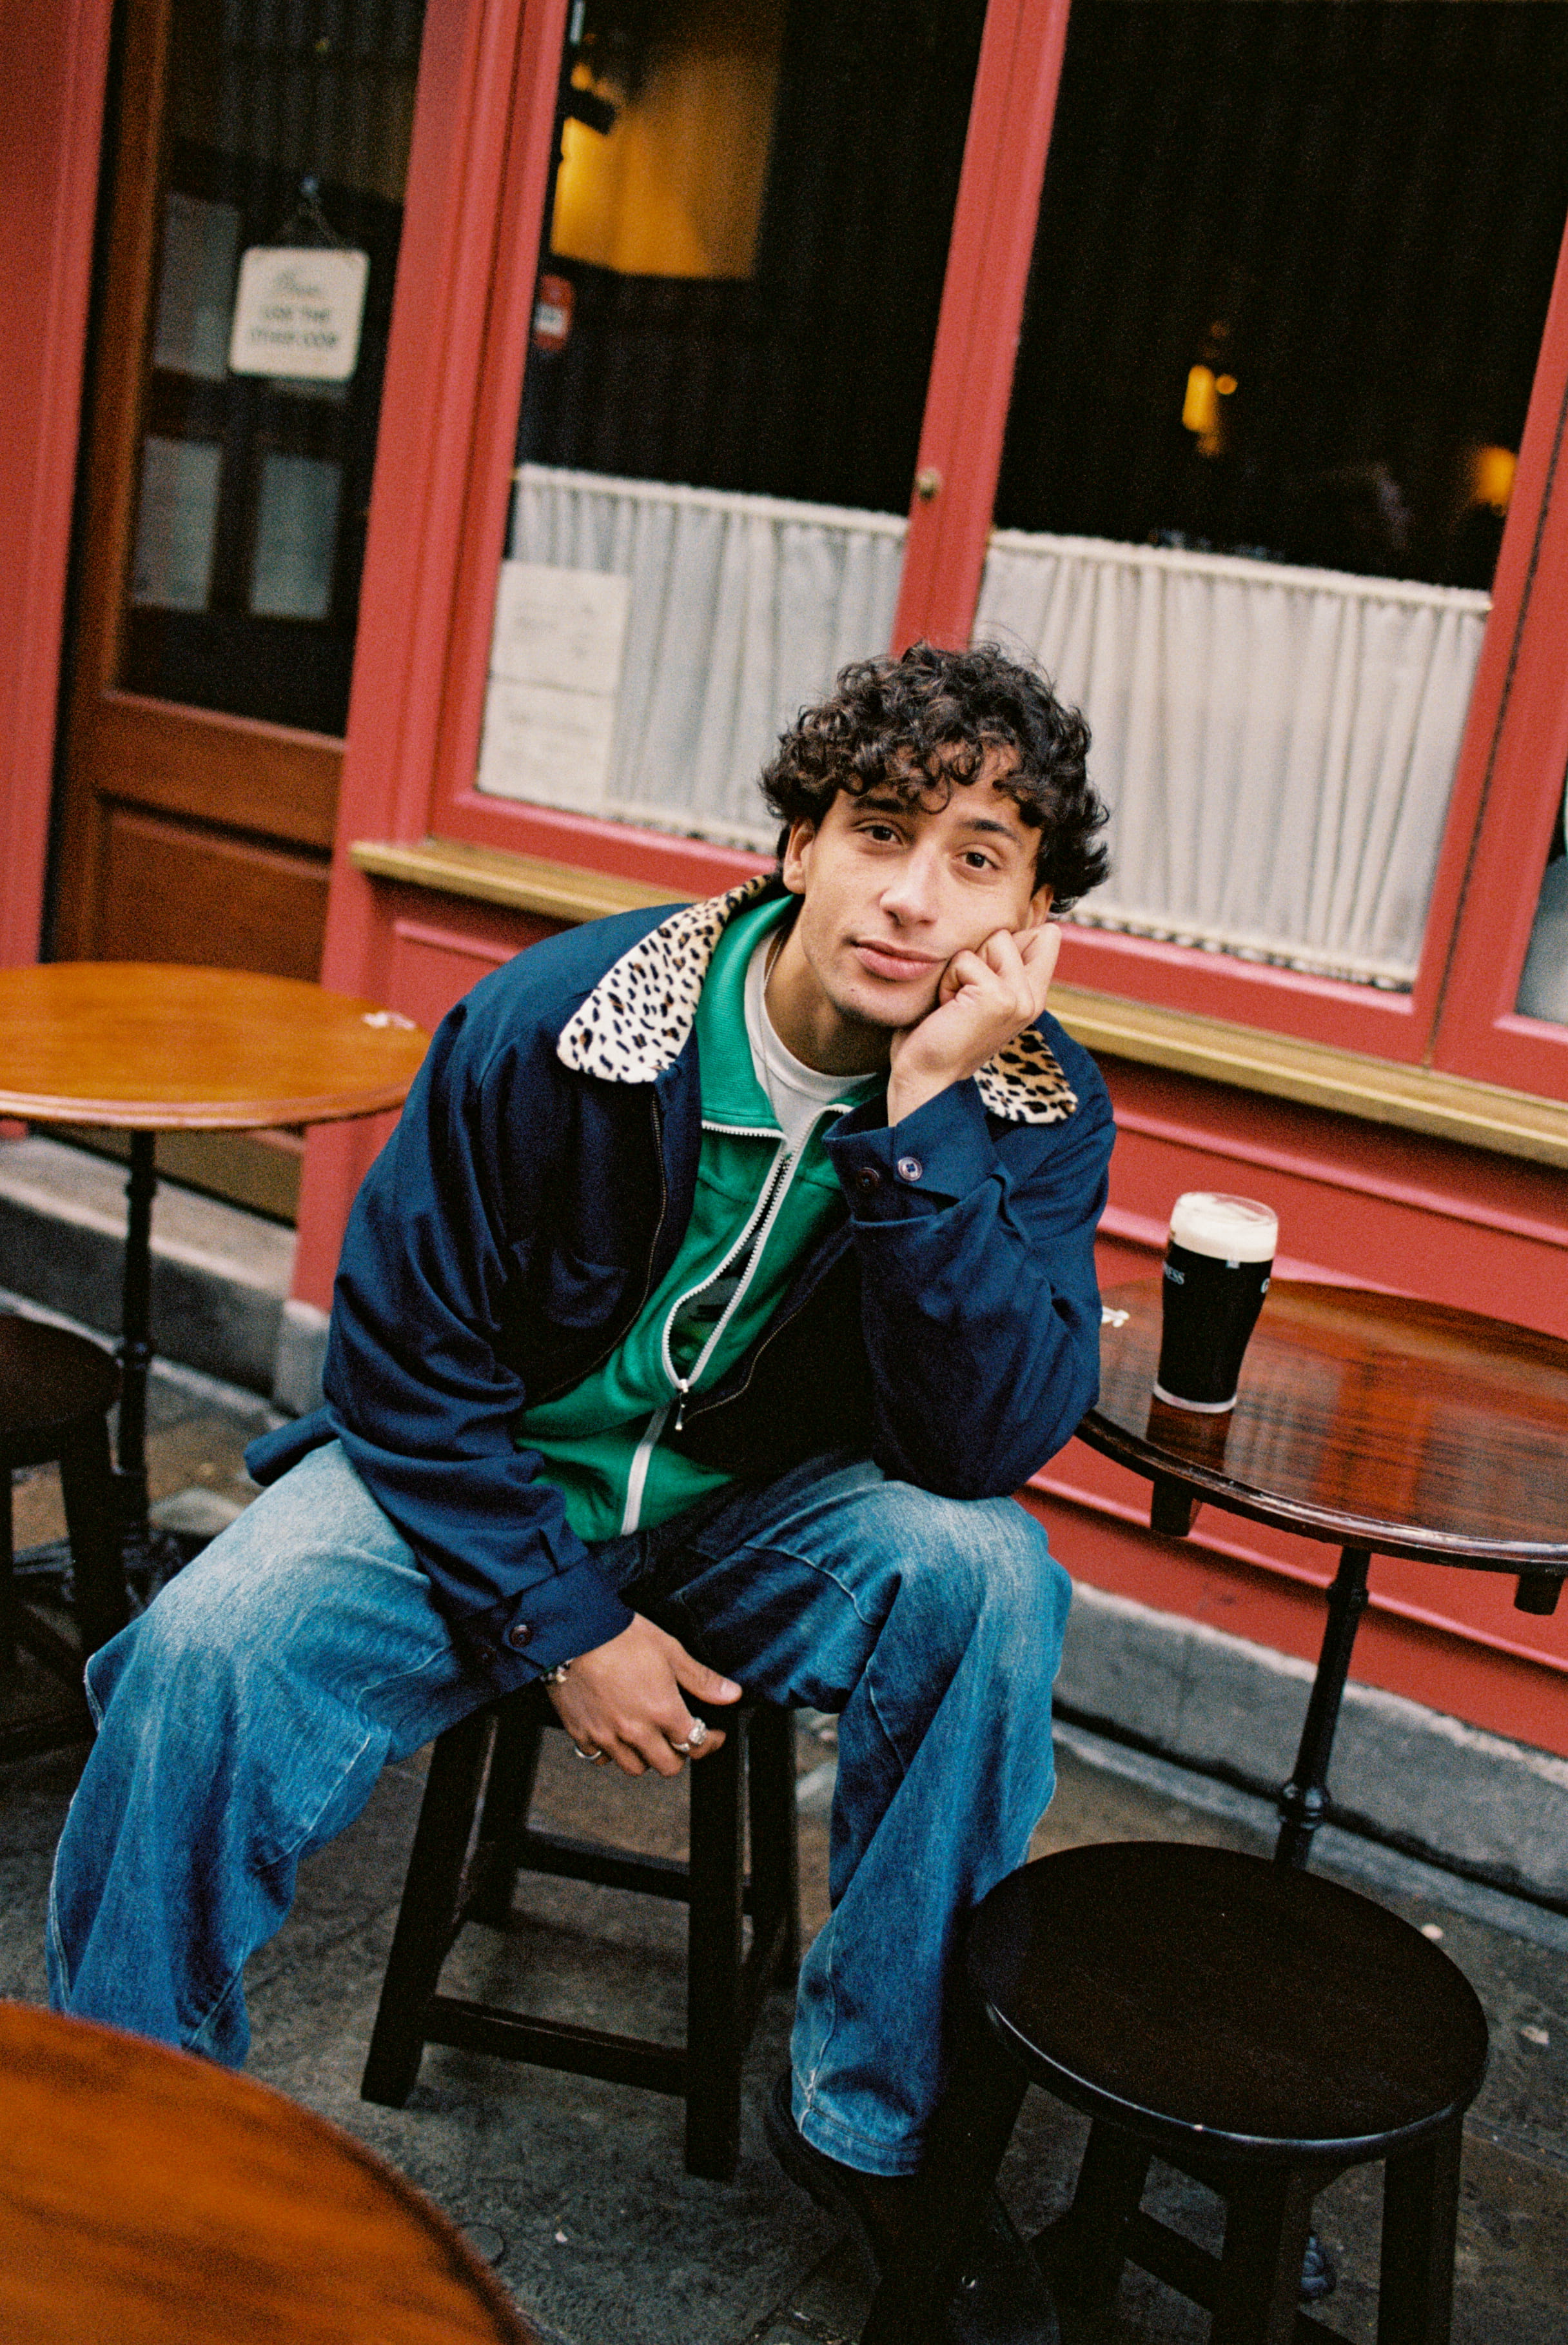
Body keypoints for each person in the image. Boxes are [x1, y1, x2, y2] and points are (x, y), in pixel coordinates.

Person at [48, 640, 1113, 2345]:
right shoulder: (564, 1022)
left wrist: (921, 1133)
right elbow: (396, 1361)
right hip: (481, 1478)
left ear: (1035, 915)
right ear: (797, 847)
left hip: (763, 1511)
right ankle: (124, 2113)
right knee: (206, 1651)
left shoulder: (1030, 1108)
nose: (912, 898)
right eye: (880, 832)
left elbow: (977, 1446)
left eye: (976, 860)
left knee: (993, 1578)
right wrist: (565, 1623)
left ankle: (880, 2122)